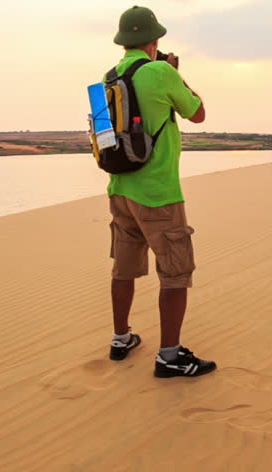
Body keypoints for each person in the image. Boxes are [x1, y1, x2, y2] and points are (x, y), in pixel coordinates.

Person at [105, 6, 216, 378]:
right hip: (158, 192)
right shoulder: (162, 71)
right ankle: (169, 356)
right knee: (175, 272)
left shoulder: (108, 77)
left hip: (119, 187)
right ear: (154, 40)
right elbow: (197, 113)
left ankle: (121, 338)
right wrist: (177, 75)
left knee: (124, 268)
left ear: (124, 43)